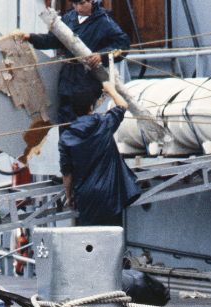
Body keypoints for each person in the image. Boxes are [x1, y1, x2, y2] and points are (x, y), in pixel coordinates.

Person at [24, 0, 130, 123]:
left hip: (88, 79)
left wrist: (102, 55)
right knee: (64, 120)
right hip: (67, 79)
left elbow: (123, 44)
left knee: (84, 122)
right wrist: (31, 37)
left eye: (82, 3)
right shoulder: (68, 18)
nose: (78, 8)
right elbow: (53, 40)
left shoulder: (104, 21)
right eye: (75, 4)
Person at [59, 81, 140, 225]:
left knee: (90, 236)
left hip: (85, 196)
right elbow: (122, 105)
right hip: (110, 194)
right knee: (113, 234)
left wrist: (69, 196)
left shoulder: (66, 138)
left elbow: (67, 173)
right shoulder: (104, 123)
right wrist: (111, 90)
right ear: (91, 107)